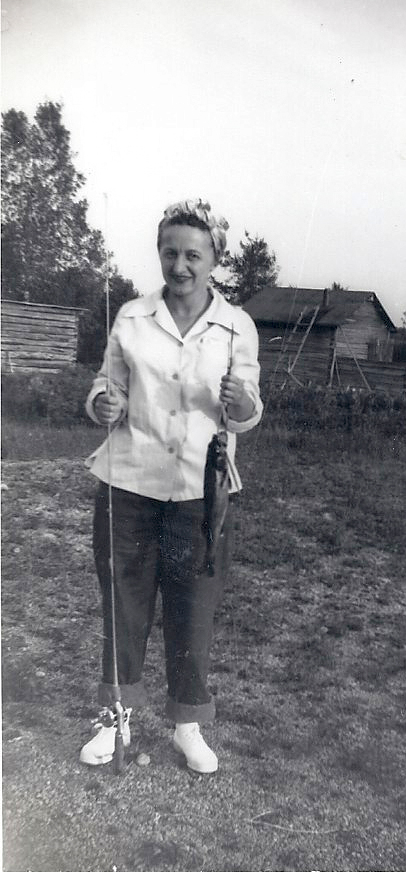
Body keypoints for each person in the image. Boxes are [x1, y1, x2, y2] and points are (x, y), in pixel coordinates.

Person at [79, 198, 262, 773]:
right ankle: (116, 718)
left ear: (214, 260)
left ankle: (187, 724)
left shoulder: (237, 326)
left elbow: (247, 413)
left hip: (200, 493)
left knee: (193, 609)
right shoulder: (132, 316)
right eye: (169, 252)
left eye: (192, 255)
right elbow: (105, 385)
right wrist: (103, 403)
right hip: (128, 483)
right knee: (124, 604)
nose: (179, 265)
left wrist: (241, 401)